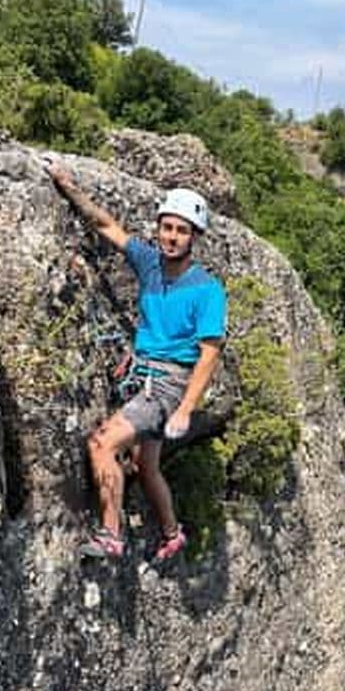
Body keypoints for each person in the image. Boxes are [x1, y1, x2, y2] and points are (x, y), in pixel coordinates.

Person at [48, 166, 227, 561]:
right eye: (167, 228)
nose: (172, 237)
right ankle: (172, 532)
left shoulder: (207, 290)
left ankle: (111, 535)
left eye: (182, 231)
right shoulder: (148, 263)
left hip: (167, 387)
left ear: (194, 237)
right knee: (147, 465)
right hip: (144, 373)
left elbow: (210, 354)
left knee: (101, 443)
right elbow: (106, 225)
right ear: (159, 228)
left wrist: (185, 410)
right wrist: (68, 186)